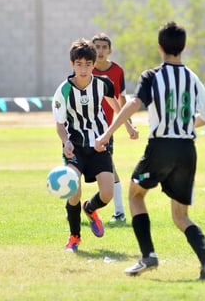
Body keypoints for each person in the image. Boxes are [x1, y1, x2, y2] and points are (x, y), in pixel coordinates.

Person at [95, 21, 205, 279]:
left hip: (161, 146)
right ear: (183, 47)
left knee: (135, 195)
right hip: (187, 149)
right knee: (180, 215)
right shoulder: (192, 77)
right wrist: (183, 123)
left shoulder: (152, 76)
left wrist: (108, 133)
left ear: (160, 47)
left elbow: (133, 104)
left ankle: (148, 255)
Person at [52, 38, 136, 252]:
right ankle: (74, 238)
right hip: (76, 147)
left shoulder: (103, 84)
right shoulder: (63, 91)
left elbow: (116, 105)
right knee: (74, 192)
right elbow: (60, 124)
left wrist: (128, 126)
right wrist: (66, 142)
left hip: (99, 143)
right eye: (79, 64)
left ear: (93, 64)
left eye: (88, 64)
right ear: (72, 64)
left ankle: (90, 208)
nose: (83, 68)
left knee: (107, 194)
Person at [92, 33, 138, 224]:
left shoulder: (117, 71)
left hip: (106, 127)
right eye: (97, 47)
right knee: (79, 166)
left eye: (104, 47)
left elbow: (122, 99)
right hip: (84, 125)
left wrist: (129, 123)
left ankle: (119, 212)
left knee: (108, 165)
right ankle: (76, 208)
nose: (100, 51)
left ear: (110, 50)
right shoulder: (85, 69)